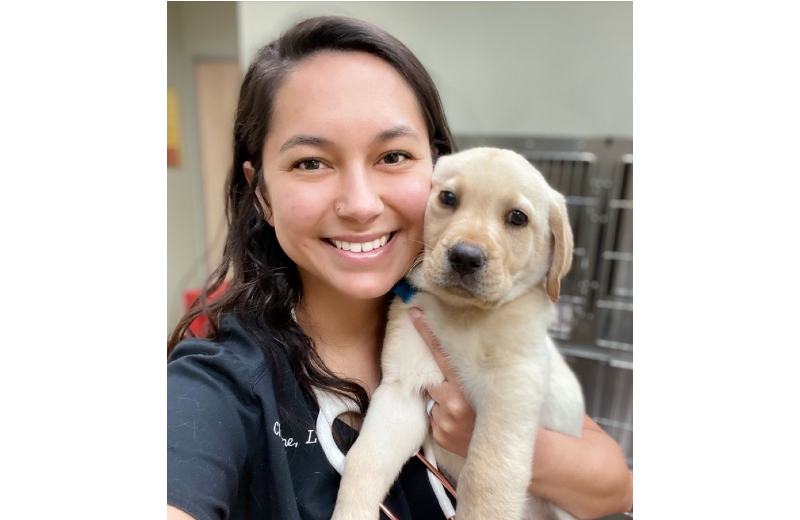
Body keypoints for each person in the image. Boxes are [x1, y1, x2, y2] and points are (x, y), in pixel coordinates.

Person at [167, 15, 633, 520]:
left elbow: (616, 485)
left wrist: (495, 437)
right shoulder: (217, 386)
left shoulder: (460, 312)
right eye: (311, 162)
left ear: (432, 166)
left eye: (392, 155)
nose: (361, 204)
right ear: (262, 193)